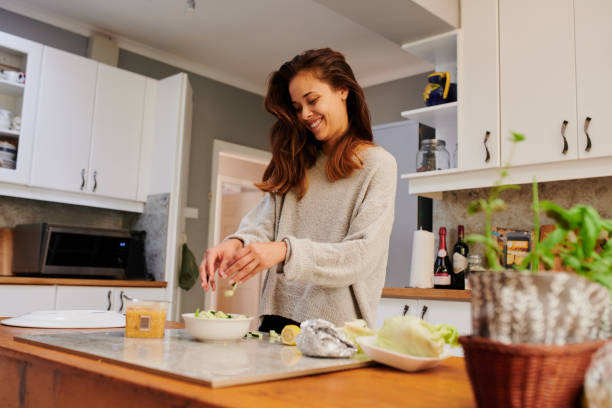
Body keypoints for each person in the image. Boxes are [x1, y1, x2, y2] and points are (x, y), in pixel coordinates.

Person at [200, 48, 397, 333]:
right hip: (275, 320)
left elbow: (361, 255)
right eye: (297, 106)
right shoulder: (298, 160)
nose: (305, 114)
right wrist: (236, 243)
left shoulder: (378, 165)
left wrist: (285, 251)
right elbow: (264, 224)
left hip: (336, 329)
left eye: (312, 100)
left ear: (343, 90)